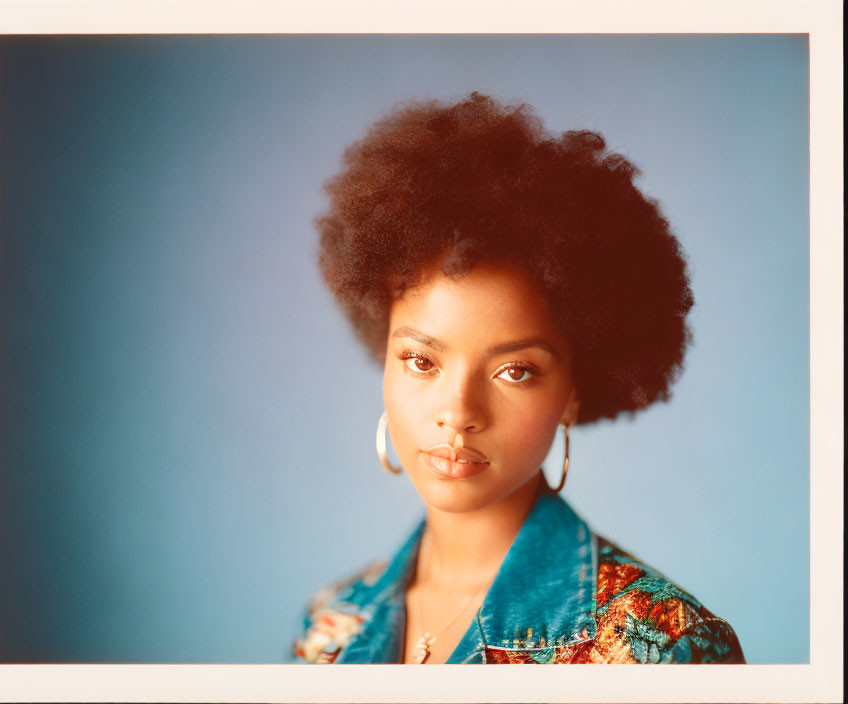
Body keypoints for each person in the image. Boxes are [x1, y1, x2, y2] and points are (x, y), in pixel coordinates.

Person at [291, 92, 745, 665]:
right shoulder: (330, 627)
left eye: (515, 370)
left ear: (574, 392)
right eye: (421, 361)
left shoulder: (660, 649)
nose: (458, 411)